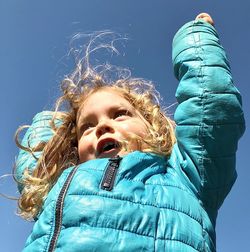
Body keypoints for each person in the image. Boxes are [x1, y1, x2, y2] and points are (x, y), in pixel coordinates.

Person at [15, 13, 245, 251]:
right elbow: (34, 170)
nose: (102, 126)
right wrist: (48, 124)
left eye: (119, 114)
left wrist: (197, 38)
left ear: (152, 125)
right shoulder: (56, 186)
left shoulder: (187, 176)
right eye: (87, 127)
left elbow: (210, 106)